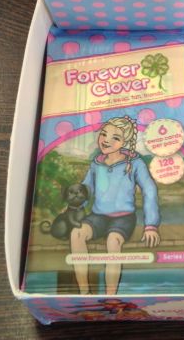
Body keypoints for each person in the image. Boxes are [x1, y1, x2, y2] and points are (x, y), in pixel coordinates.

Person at [70, 116, 160, 295]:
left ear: (125, 142)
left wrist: (151, 225)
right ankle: (84, 292)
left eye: (115, 138)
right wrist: (75, 206)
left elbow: (149, 190)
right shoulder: (97, 163)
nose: (106, 140)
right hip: (97, 216)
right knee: (76, 233)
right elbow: (86, 188)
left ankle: (110, 296)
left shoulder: (135, 163)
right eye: (104, 134)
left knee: (113, 242)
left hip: (123, 218)